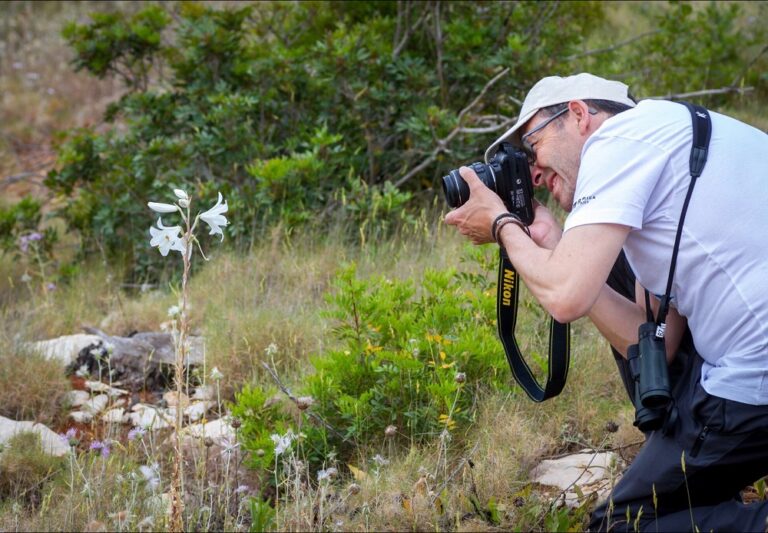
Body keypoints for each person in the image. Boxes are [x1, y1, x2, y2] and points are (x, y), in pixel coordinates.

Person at [444, 72, 768, 531]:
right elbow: (656, 341)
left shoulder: (616, 140)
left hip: (756, 380)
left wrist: (501, 224)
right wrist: (553, 242)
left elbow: (564, 298)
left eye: (532, 146)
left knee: (622, 523)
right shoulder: (670, 137)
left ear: (578, 115)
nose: (532, 173)